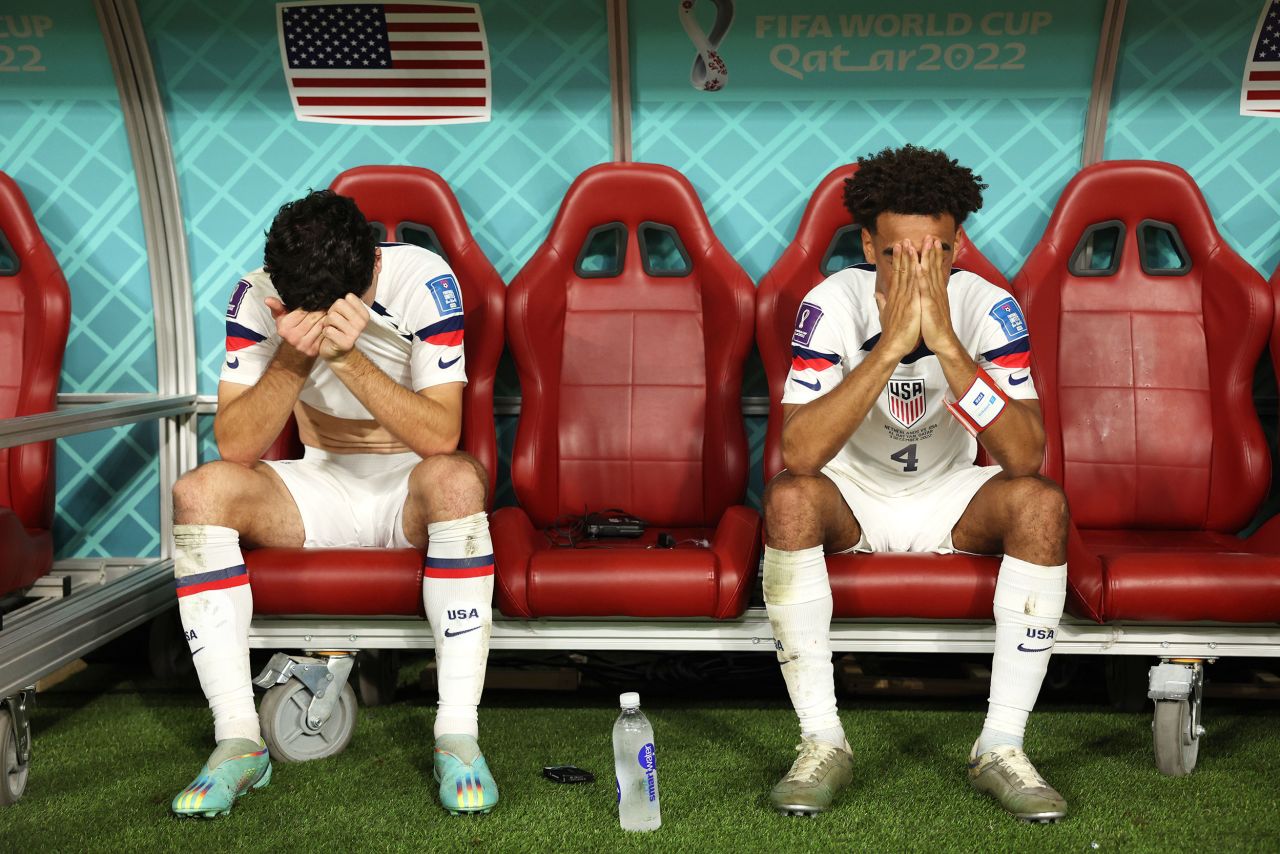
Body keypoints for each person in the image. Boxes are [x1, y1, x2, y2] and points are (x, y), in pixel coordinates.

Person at [764, 145, 1070, 822]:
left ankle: (1001, 745)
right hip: (852, 495)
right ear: (869, 244)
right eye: (900, 254)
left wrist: (949, 348)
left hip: (951, 495)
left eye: (935, 254)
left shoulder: (989, 306)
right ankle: (822, 740)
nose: (918, 269)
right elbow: (801, 454)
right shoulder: (832, 302)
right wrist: (894, 345)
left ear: (958, 247)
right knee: (787, 499)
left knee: (1042, 507)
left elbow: (1024, 458)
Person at [168, 190, 497, 818]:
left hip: (409, 487)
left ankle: (457, 735)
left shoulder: (423, 279)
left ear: (372, 268)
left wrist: (348, 357)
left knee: (458, 480)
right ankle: (238, 740)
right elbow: (235, 442)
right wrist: (294, 357)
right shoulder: (259, 292)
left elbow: (441, 437)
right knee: (198, 491)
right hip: (317, 484)